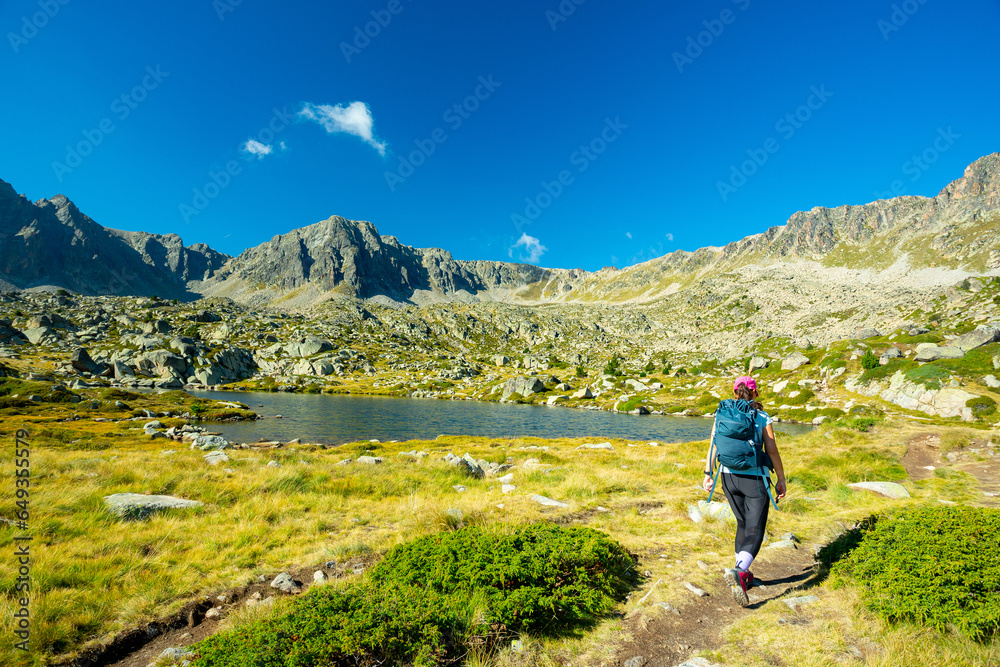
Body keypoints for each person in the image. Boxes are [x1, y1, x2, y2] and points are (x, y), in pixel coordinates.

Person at [702, 376, 786, 607]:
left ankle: (743, 575)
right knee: (755, 529)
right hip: (755, 479)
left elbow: (713, 444)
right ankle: (740, 571)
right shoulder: (761, 416)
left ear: (734, 391)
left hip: (727, 477)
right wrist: (781, 478)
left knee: (741, 523)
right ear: (755, 393)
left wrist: (708, 473)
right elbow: (772, 449)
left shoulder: (722, 413)